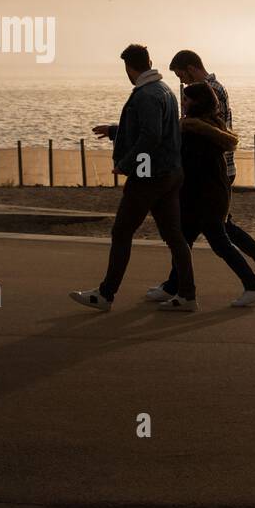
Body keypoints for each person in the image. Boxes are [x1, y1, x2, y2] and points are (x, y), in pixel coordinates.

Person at [147, 49, 255, 300]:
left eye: (181, 76)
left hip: (212, 170)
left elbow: (209, 132)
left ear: (190, 68)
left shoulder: (206, 91)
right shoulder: (212, 87)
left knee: (212, 230)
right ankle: (176, 285)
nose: (181, 83)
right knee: (205, 229)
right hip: (216, 169)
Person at [70, 44, 197, 312]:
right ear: (149, 61)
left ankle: (106, 294)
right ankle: (187, 295)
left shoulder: (146, 95)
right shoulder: (166, 91)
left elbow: (150, 136)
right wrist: (115, 130)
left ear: (129, 68)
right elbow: (156, 129)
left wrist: (126, 164)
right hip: (172, 172)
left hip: (149, 176)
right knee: (175, 236)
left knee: (122, 231)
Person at [160, 83, 255, 306]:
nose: (183, 103)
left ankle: (252, 285)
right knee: (184, 242)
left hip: (202, 199)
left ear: (198, 102)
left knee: (218, 244)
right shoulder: (212, 128)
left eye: (187, 99)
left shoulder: (194, 132)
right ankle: (178, 290)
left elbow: (188, 167)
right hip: (211, 195)